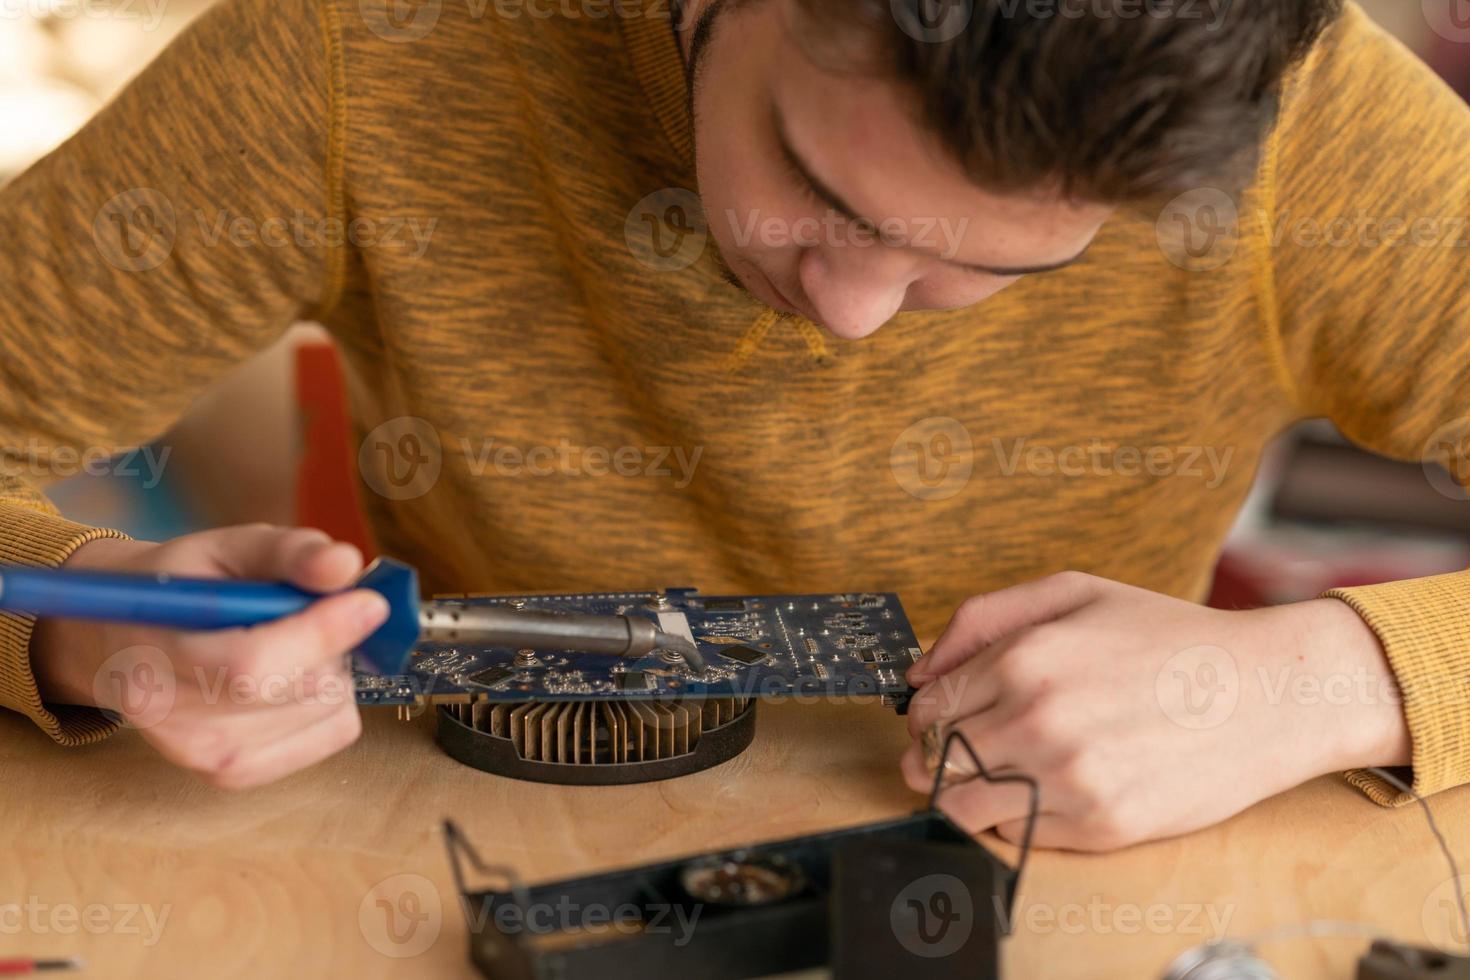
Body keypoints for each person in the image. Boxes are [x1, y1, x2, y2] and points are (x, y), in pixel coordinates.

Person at [2, 0, 1466, 851]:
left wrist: (1321, 682)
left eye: (990, 265)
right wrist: (79, 634)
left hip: (1079, 875)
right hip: (469, 854)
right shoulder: (373, 47)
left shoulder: (1313, 129)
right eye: (815, 187)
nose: (847, 314)